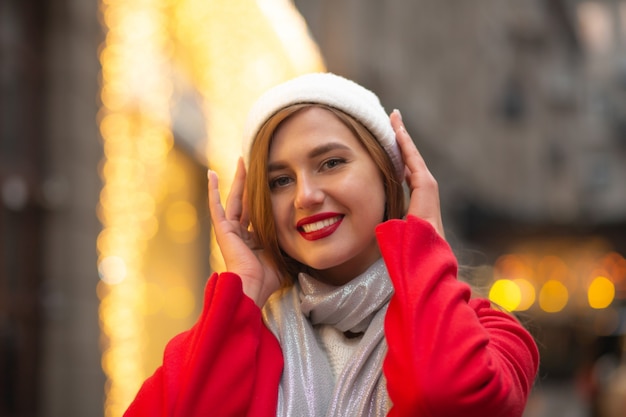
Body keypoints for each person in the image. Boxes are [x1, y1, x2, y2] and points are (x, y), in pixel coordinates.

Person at [124, 73, 539, 416]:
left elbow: (446, 396)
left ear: (390, 174)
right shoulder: (227, 337)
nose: (305, 195)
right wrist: (244, 291)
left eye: (331, 163)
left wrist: (424, 242)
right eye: (280, 180)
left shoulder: (491, 334)